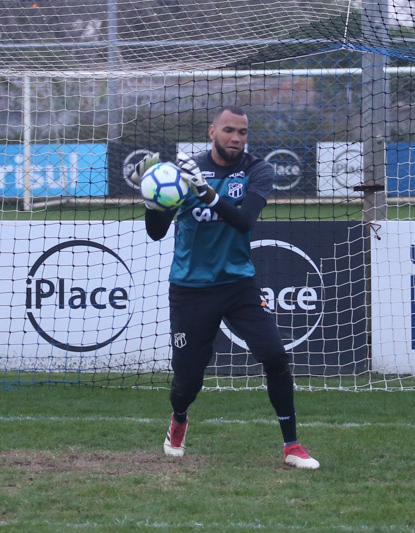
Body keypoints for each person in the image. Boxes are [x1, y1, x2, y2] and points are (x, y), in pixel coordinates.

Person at [129, 105, 319, 469]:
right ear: (211, 131)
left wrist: (207, 194)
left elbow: (244, 221)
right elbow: (156, 233)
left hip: (238, 284)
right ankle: (179, 420)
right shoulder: (185, 173)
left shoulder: (256, 170)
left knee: (276, 356)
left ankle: (292, 446)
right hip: (190, 289)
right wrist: (151, 196)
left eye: (243, 132)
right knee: (188, 379)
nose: (236, 138)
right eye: (229, 130)